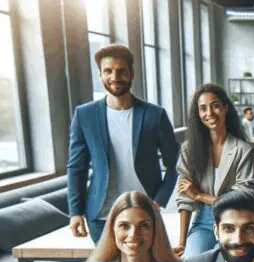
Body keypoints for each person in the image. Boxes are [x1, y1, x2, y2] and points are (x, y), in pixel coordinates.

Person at [67, 44, 179, 242]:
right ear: (99, 75)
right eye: (108, 71)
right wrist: (75, 211)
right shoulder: (84, 115)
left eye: (121, 71)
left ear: (131, 73)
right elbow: (77, 167)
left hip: (144, 212)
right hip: (101, 214)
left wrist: (158, 201)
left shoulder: (155, 115)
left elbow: (175, 164)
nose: (114, 77)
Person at [174, 84, 254, 259]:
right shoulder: (189, 149)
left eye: (215, 106)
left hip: (236, 222)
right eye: (202, 108)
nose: (209, 113)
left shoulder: (242, 149)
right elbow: (184, 198)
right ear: (198, 114)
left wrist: (199, 196)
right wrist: (182, 242)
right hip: (203, 221)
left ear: (225, 108)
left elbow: (241, 201)